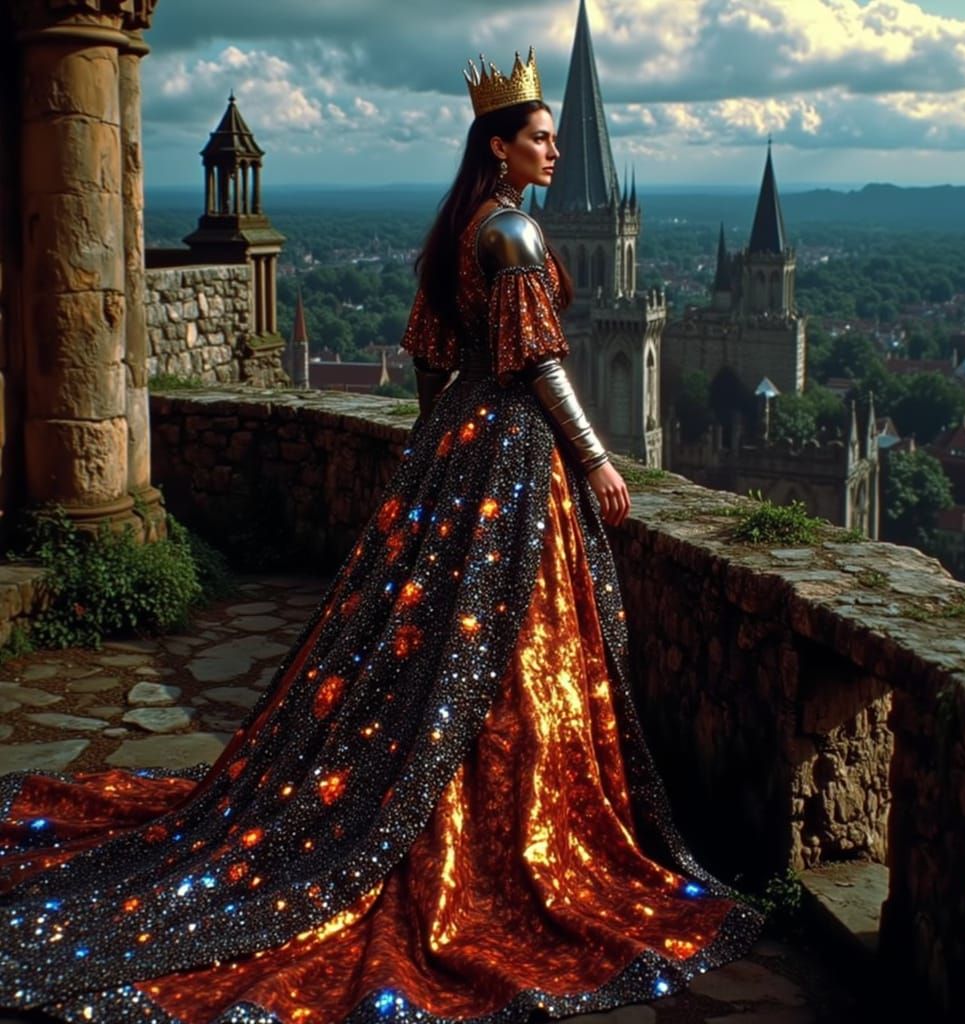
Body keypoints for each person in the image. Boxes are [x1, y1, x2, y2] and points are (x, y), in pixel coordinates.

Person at [0, 48, 761, 1024]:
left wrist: (436, 460)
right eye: (540, 138)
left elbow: (432, 363)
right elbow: (538, 364)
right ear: (500, 146)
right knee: (506, 643)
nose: (554, 151)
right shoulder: (513, 232)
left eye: (553, 138)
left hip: (459, 447)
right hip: (513, 451)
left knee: (434, 644)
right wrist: (599, 460)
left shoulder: (459, 230)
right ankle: (499, 816)